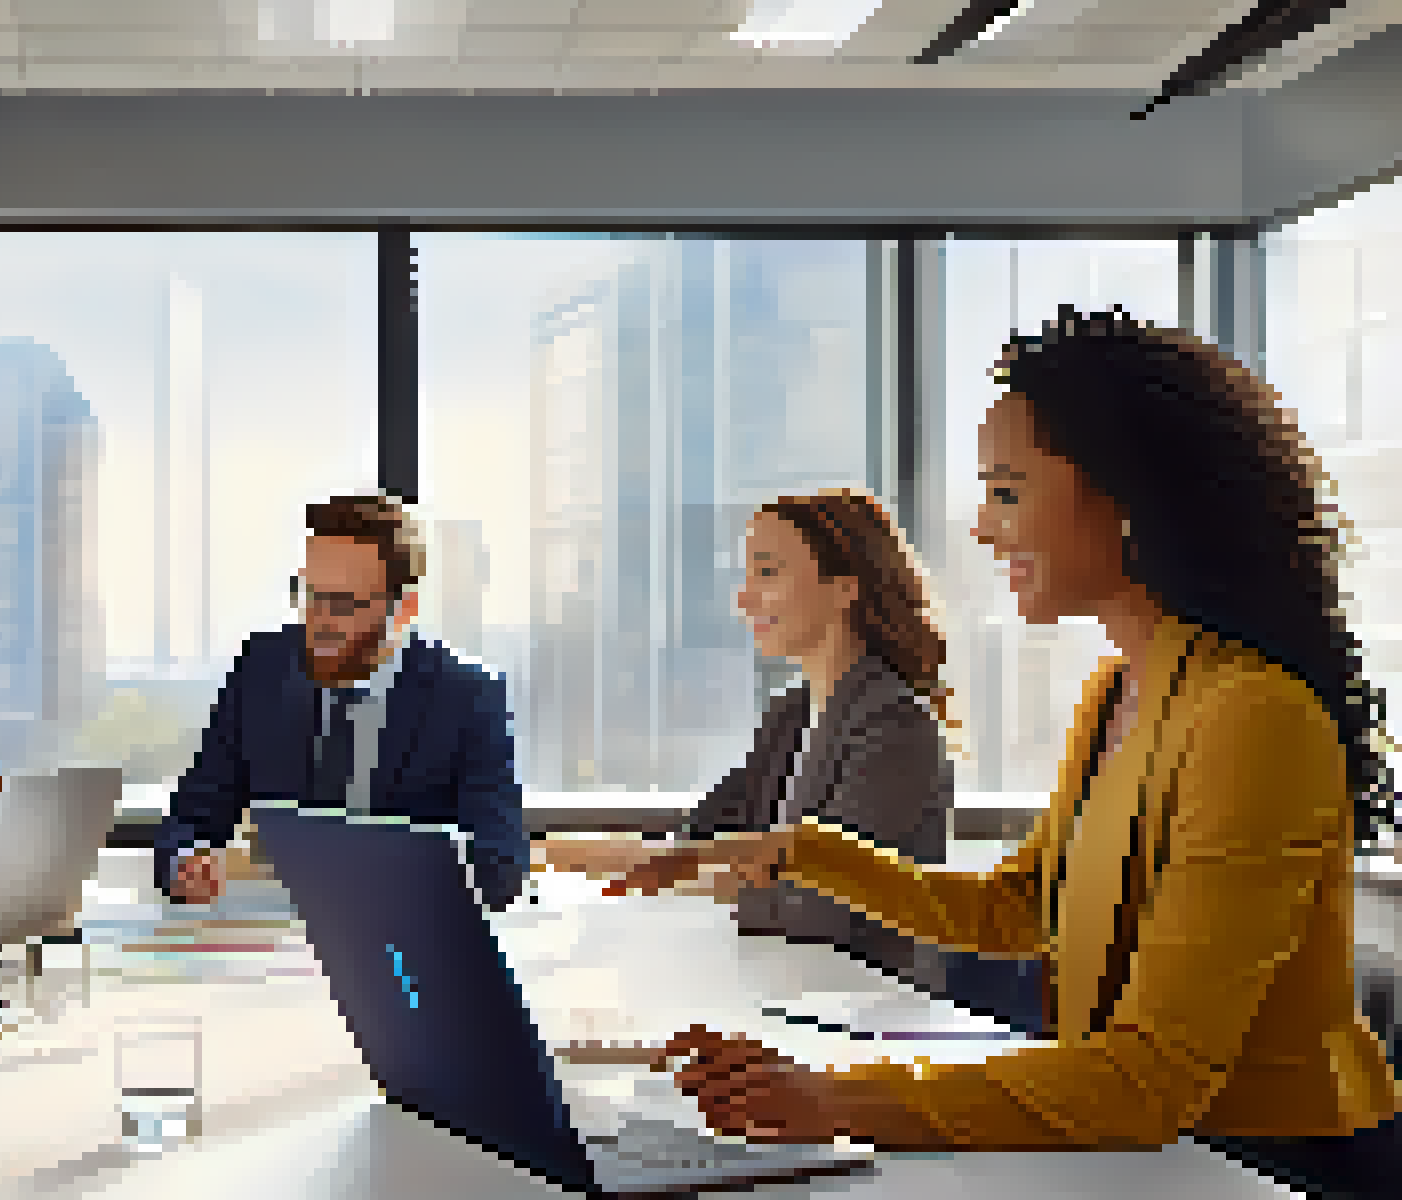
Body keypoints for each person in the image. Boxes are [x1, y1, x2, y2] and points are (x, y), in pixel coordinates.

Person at [602, 308, 1402, 1188]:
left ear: (1126, 498)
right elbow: (1026, 907)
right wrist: (793, 853)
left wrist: (839, 1101)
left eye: (1008, 491)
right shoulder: (1117, 690)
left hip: (1270, 1168)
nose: (982, 529)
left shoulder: (1254, 717)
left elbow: (1151, 1081)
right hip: (1150, 1152)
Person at [538, 489, 954, 986]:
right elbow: (699, 845)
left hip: (865, 1005)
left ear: (845, 587)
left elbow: (826, 909)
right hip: (787, 986)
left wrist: (702, 876)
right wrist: (546, 855)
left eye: (768, 572)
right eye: (745, 574)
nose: (743, 597)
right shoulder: (792, 714)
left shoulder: (894, 725)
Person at [158, 492, 528, 912]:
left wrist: (371, 875)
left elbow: (501, 867)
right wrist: (186, 862)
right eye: (310, 593)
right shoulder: (263, 670)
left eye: (343, 603)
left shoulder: (469, 696)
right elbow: (190, 817)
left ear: (403, 610)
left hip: (404, 940)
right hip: (275, 945)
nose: (319, 619)